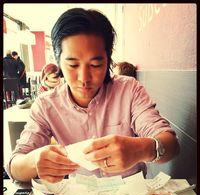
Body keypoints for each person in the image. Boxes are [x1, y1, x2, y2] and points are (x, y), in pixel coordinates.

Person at [5, 8, 180, 184]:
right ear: (58, 61)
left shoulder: (129, 90)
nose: (84, 78)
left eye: (95, 64)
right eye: (73, 65)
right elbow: (14, 166)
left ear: (108, 60)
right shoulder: (46, 105)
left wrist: (142, 149)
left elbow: (171, 145)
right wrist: (34, 161)